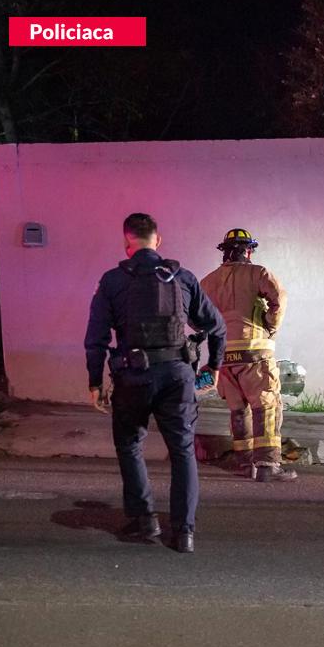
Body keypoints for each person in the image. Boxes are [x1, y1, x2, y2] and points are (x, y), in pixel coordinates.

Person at [84, 213, 226, 553]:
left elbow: (96, 340)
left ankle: (144, 521)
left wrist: (95, 382)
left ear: (127, 243)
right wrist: (214, 366)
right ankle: (184, 533)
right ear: (157, 240)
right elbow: (217, 326)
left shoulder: (112, 281)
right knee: (182, 451)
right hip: (178, 377)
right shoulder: (183, 278)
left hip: (133, 377)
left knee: (130, 444)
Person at [200, 228, 295, 482]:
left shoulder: (208, 282)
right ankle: (267, 464)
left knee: (238, 409)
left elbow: (196, 316)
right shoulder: (259, 273)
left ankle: (245, 464)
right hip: (255, 352)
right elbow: (279, 298)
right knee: (266, 405)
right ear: (249, 251)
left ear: (224, 252)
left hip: (224, 356)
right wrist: (270, 325)